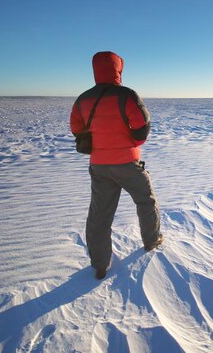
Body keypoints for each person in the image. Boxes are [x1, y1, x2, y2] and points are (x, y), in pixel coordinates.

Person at [70, 51, 163, 280]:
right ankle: (151, 241)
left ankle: (100, 265)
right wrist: (130, 143)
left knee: (100, 215)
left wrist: (100, 143)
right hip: (127, 164)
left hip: (99, 166)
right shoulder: (127, 95)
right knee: (146, 200)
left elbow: (76, 128)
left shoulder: (83, 99)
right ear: (118, 69)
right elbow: (142, 127)